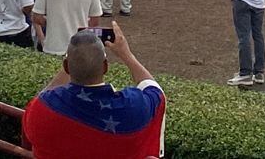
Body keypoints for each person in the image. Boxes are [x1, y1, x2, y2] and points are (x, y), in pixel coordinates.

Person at [21, 24, 165, 159]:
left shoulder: (43, 108)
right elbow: (154, 90)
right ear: (105, 67)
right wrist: (126, 55)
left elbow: (41, 98)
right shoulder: (132, 106)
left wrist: (73, 59)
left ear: (66, 67)